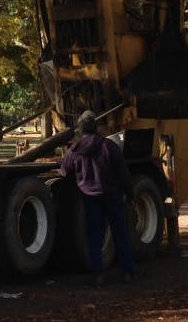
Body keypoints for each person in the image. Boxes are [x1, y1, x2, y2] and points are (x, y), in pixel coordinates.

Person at [61, 109, 137, 285]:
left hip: (89, 197)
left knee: (95, 235)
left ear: (81, 129)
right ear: (95, 127)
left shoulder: (74, 150)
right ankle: (128, 272)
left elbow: (65, 171)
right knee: (120, 232)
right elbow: (123, 174)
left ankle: (98, 274)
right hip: (112, 195)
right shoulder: (109, 146)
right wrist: (131, 193)